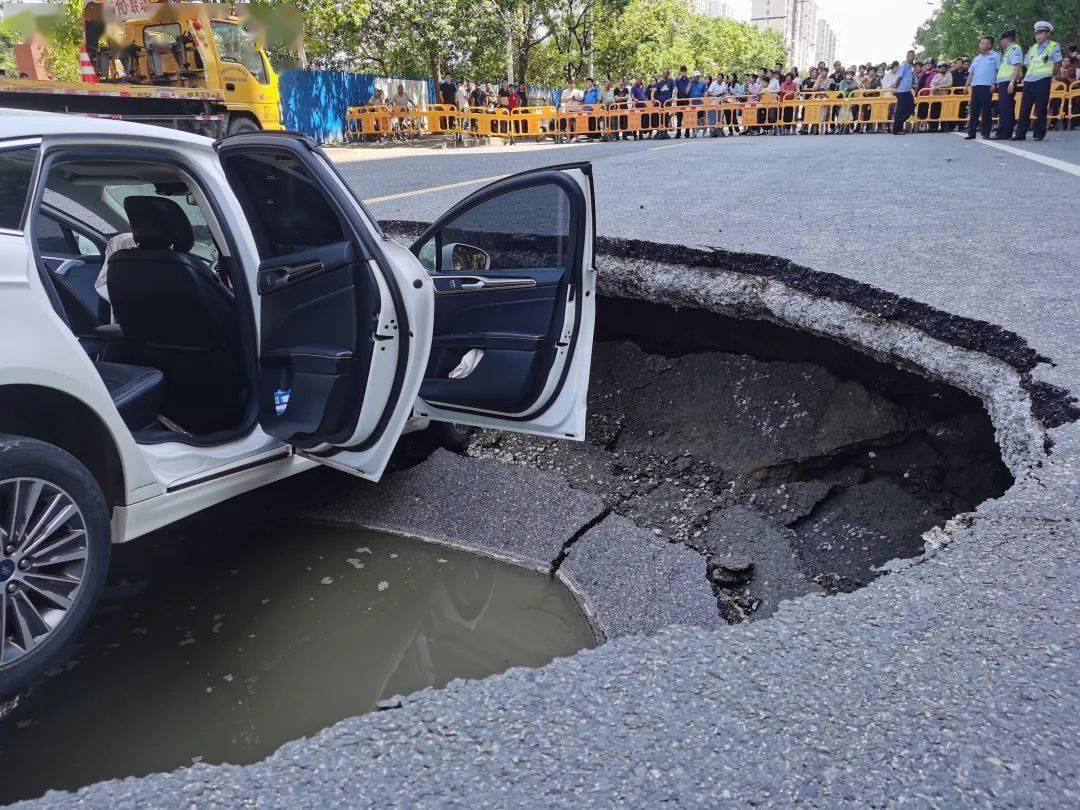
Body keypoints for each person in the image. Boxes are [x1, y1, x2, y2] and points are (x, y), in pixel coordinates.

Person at [1015, 21, 1062, 141]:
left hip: (1043, 80)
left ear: (1047, 34)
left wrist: (1053, 75)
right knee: (1024, 108)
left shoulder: (1053, 46)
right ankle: (1020, 134)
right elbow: (1026, 64)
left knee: (1040, 108)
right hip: (1029, 81)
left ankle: (1039, 134)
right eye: (1036, 34)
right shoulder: (1032, 48)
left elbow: (1057, 63)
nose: (1038, 36)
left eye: (1041, 33)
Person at [965, 36, 1000, 139]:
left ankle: (985, 133)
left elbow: (998, 71)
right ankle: (971, 133)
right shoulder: (977, 58)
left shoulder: (996, 56)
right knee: (973, 110)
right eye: (980, 43)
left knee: (986, 110)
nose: (980, 45)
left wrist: (995, 84)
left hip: (987, 86)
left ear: (990, 45)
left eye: (983, 43)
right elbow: (971, 73)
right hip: (975, 86)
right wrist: (966, 85)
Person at [994, 29, 1024, 140]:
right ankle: (1004, 131)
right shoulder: (1007, 51)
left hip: (1008, 82)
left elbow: (1017, 66)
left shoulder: (1015, 49)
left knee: (1005, 108)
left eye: (1001, 40)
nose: (1000, 43)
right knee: (1004, 108)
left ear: (1006, 39)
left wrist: (1012, 82)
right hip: (1003, 82)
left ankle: (1004, 133)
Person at [892, 49, 916, 133]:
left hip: (907, 91)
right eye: (910, 55)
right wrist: (896, 88)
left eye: (913, 55)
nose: (912, 57)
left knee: (910, 108)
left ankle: (900, 126)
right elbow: (899, 77)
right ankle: (897, 129)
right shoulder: (904, 66)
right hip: (901, 91)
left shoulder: (911, 67)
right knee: (901, 110)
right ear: (907, 56)